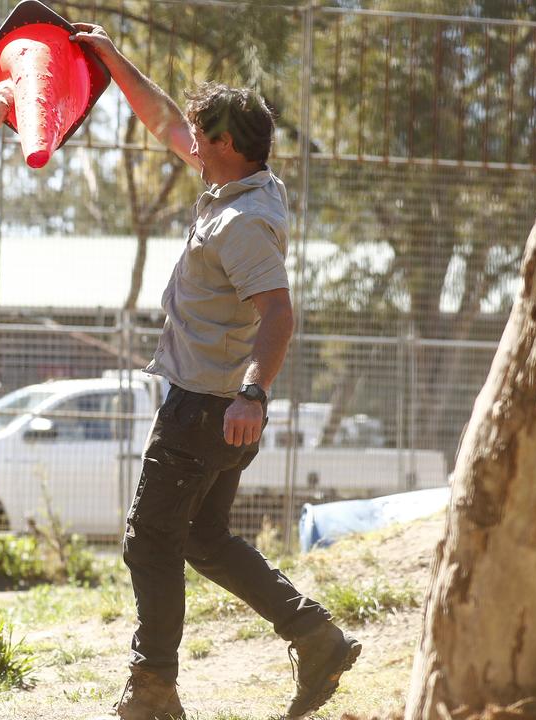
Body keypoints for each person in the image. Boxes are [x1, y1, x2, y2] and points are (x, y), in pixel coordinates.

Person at [71, 23, 361, 720]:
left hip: (209, 408)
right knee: (204, 538)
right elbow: (168, 120)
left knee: (151, 542)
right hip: (217, 406)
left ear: (226, 146)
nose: (188, 143)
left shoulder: (242, 224)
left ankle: (153, 687)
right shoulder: (244, 187)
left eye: (202, 137)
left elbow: (279, 314)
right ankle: (315, 635)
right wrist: (113, 58)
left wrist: (254, 394)